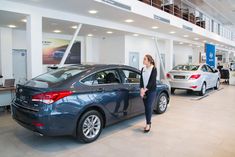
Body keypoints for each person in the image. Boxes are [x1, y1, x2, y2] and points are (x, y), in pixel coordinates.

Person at [140, 54, 157, 133]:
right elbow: (141, 80)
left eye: (144, 59)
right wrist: (141, 89)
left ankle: (148, 124)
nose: (143, 60)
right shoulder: (143, 69)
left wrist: (145, 90)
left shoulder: (153, 69)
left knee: (148, 107)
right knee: (146, 107)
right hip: (144, 91)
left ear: (149, 61)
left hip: (151, 91)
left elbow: (152, 82)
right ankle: (148, 123)